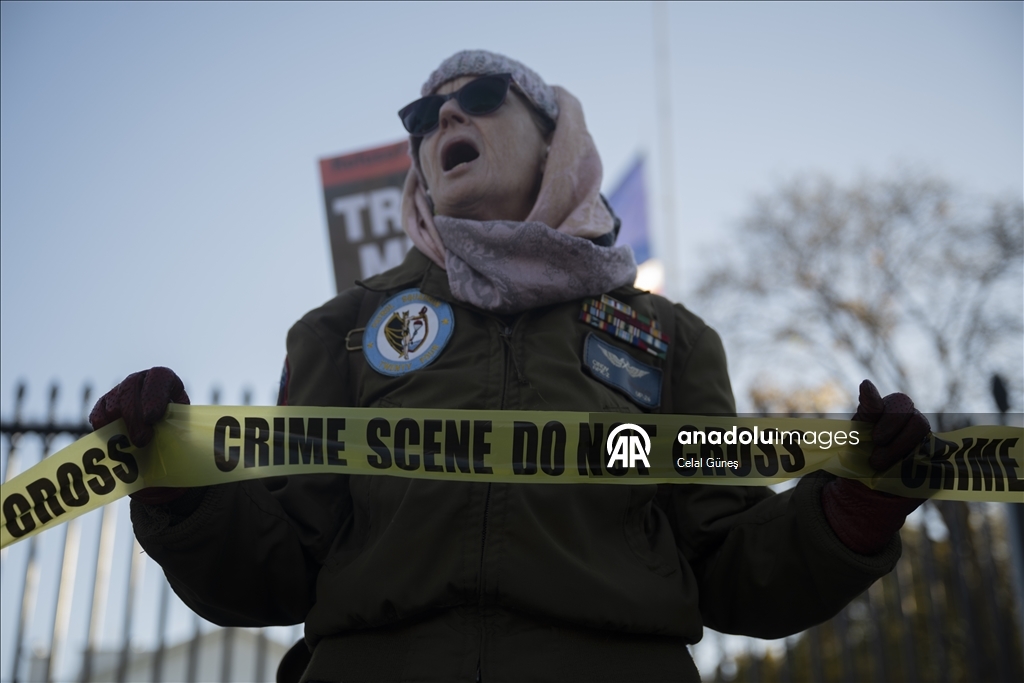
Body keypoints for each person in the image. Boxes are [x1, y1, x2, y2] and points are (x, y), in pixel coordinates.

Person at [89, 50, 930, 683]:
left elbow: (726, 563)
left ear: (555, 138)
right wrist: (181, 493)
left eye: (480, 98)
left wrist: (847, 516)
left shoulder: (672, 339)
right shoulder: (338, 329)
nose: (443, 120)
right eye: (423, 116)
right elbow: (279, 567)